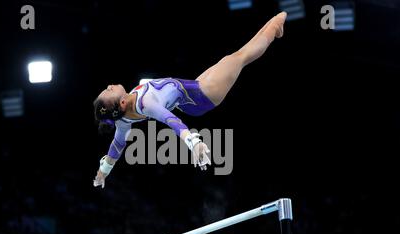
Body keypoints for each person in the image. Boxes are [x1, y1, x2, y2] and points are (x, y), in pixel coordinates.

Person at [93, 12, 287, 188]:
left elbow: (117, 146)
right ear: (122, 103)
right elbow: (171, 120)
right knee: (241, 56)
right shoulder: (146, 103)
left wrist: (104, 171)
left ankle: (273, 25)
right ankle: (275, 26)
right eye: (109, 90)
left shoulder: (122, 120)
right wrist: (194, 143)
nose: (110, 85)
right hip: (204, 94)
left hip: (194, 92)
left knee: (235, 56)